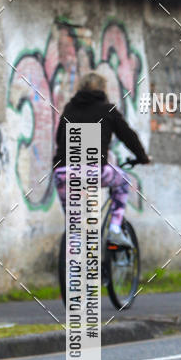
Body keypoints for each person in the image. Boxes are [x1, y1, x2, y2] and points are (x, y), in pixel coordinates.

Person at [52, 72, 150, 246]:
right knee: (123, 181)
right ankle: (114, 228)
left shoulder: (69, 109)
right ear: (103, 90)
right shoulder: (107, 110)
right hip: (93, 171)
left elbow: (58, 138)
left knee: (75, 226)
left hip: (63, 173)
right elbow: (128, 136)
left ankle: (72, 267)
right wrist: (142, 157)